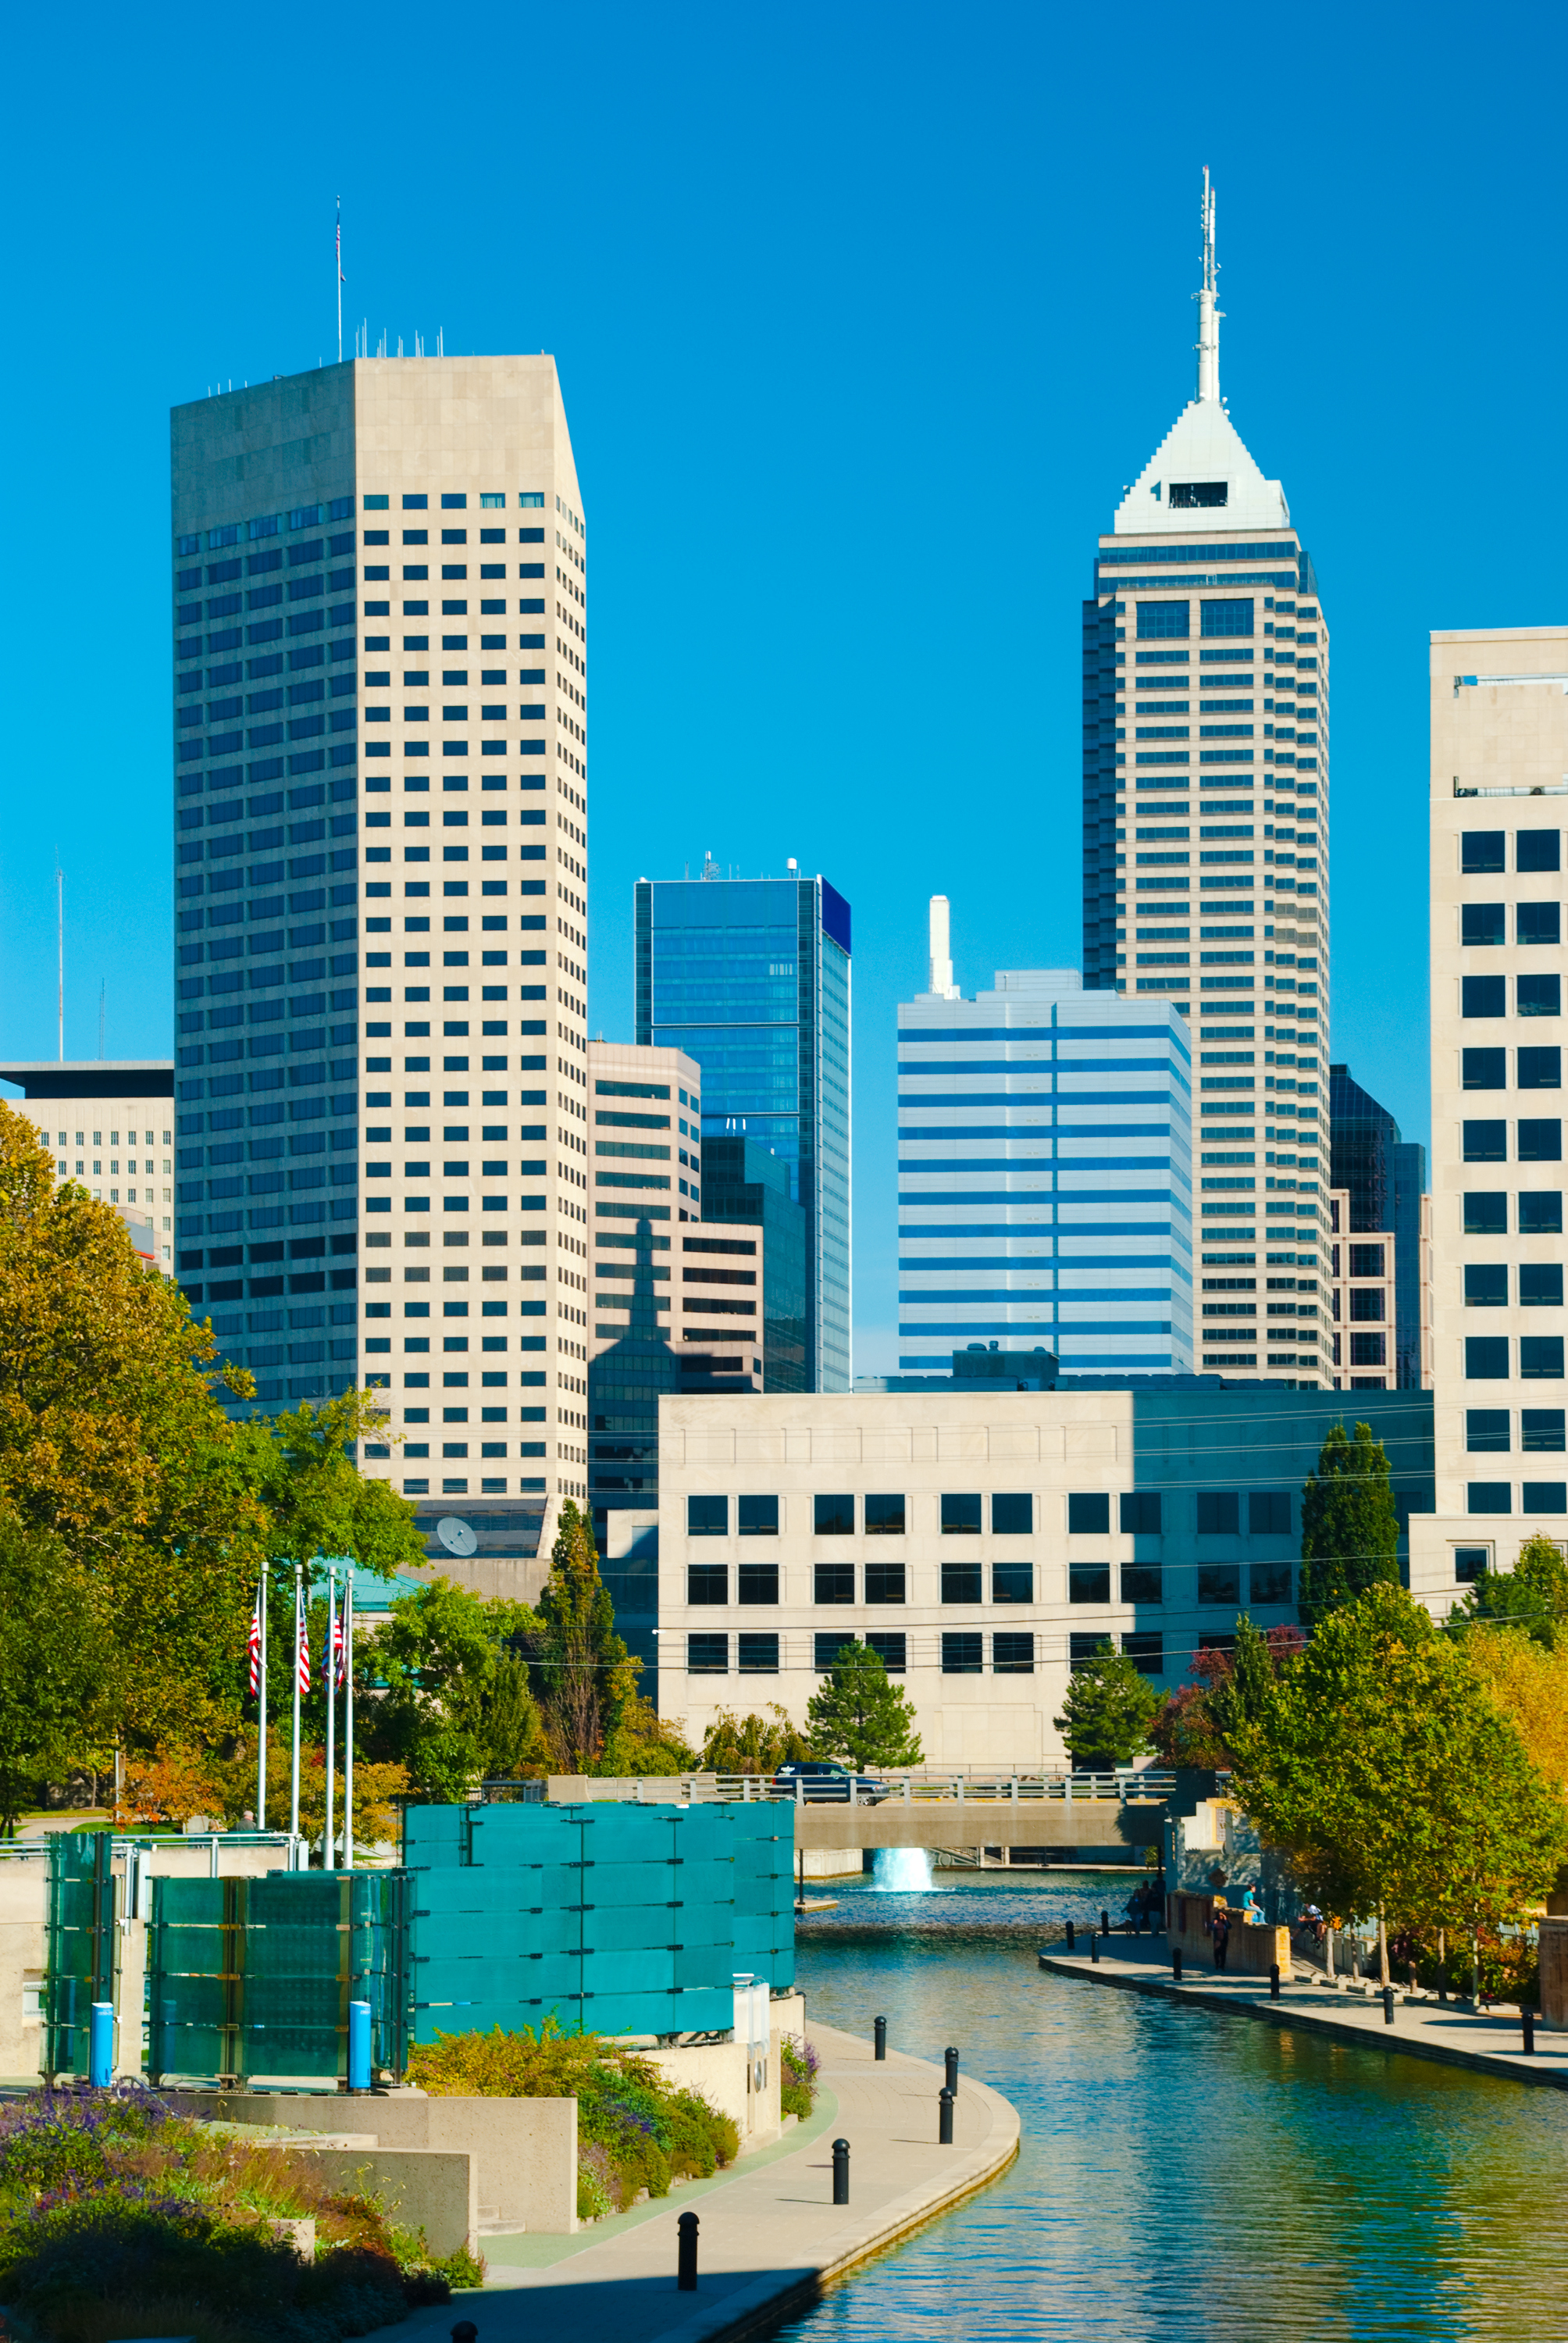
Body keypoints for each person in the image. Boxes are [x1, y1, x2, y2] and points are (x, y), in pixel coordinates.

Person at [1210, 1900, 1231, 1972]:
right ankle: (1217, 1964)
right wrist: (1214, 1924)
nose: (1220, 1917)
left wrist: (1226, 1919)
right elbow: (1210, 1928)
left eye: (1222, 1915)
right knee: (1216, 1953)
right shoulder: (1215, 1921)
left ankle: (1222, 1966)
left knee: (1223, 1953)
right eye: (1219, 1915)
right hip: (1217, 1940)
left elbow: (1229, 1927)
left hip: (1224, 1940)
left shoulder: (1224, 1922)